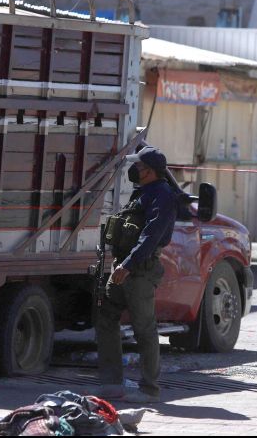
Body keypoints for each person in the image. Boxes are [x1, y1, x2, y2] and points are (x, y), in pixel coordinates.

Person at [95, 146, 178, 404]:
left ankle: (149, 389)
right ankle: (111, 383)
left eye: (139, 166)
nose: (134, 170)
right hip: (123, 266)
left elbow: (151, 236)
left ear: (150, 171)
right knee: (105, 317)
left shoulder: (162, 196)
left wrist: (128, 265)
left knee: (144, 329)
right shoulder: (142, 193)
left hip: (138, 271)